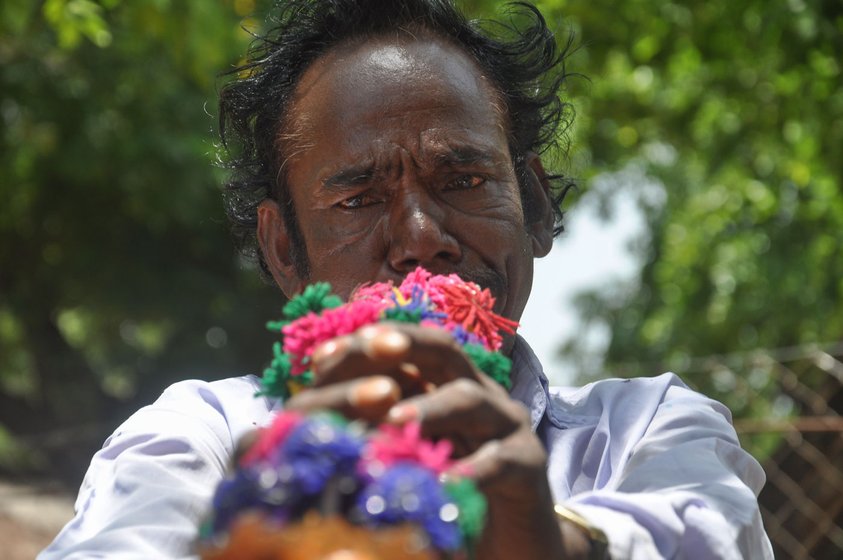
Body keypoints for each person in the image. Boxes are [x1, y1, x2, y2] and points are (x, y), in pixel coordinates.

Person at [40, 0, 773, 558]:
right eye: (357, 199)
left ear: (536, 208)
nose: (422, 239)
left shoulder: (645, 429)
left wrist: (550, 539)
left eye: (464, 178)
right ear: (284, 253)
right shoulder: (202, 435)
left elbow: (703, 528)